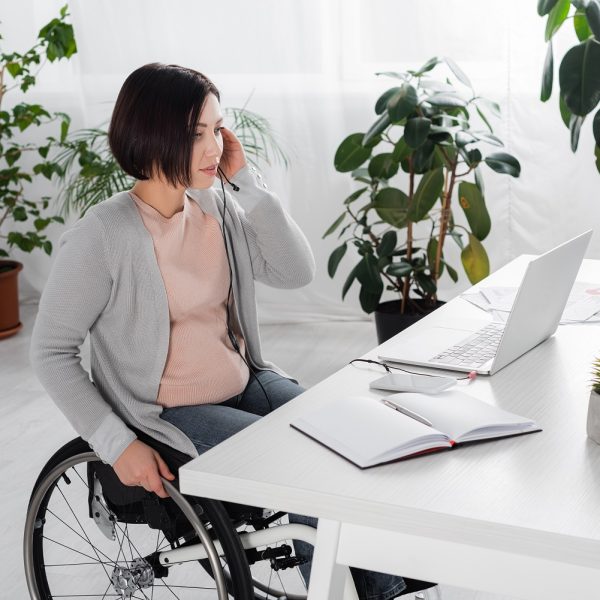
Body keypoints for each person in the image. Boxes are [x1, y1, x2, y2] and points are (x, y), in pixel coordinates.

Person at [30, 62, 427, 599]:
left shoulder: (216, 205)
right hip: (168, 412)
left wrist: (250, 187)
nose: (214, 145)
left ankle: (388, 587)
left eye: (217, 128)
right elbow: (51, 352)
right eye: (197, 133)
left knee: (347, 436)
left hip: (244, 382)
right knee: (304, 467)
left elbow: (295, 272)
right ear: (153, 134)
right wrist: (116, 443)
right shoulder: (103, 236)